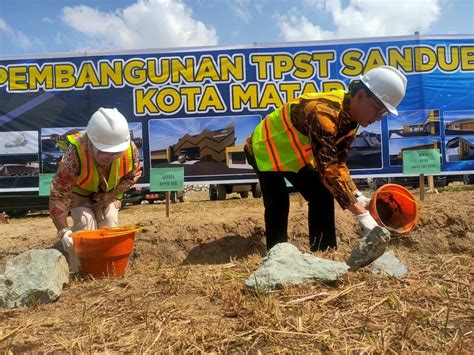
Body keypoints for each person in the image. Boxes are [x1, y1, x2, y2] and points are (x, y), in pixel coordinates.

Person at [244, 66, 407, 254]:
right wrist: (361, 214)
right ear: (360, 96)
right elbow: (328, 170)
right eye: (378, 109)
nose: (378, 117)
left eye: (383, 113)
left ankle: (324, 252)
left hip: (293, 157)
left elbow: (339, 164)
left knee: (321, 194)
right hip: (264, 149)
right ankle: (277, 256)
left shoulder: (352, 120)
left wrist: (356, 195)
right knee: (278, 203)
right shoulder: (323, 113)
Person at [49, 108, 142, 272]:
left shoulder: (129, 149)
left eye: (116, 153)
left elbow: (132, 175)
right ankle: (81, 271)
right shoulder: (74, 154)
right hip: (81, 195)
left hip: (109, 193)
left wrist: (111, 196)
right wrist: (63, 232)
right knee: (85, 223)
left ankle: (109, 270)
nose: (111, 157)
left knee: (110, 221)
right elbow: (59, 193)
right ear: (91, 142)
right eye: (105, 152)